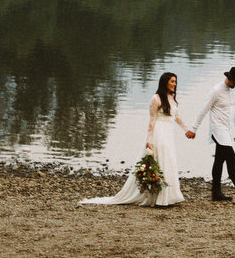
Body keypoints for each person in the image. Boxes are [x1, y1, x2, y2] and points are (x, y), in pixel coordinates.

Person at [81, 71, 189, 207]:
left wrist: (187, 130)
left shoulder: (172, 98)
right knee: (159, 160)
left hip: (169, 133)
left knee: (169, 160)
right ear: (165, 82)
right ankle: (156, 197)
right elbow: (151, 121)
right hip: (158, 132)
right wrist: (148, 140)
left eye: (175, 81)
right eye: (172, 81)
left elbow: (177, 117)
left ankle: (169, 195)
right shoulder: (156, 98)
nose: (174, 84)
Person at [186, 65, 235, 202]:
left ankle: (216, 193)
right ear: (229, 78)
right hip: (217, 129)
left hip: (227, 129)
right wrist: (194, 129)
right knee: (231, 158)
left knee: (219, 160)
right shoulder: (216, 90)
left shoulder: (234, 91)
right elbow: (203, 110)